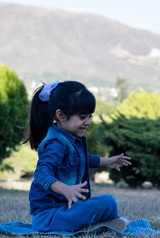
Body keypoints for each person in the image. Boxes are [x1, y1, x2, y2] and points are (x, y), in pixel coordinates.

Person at [24, 80, 132, 232]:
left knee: (108, 202)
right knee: (107, 203)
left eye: (90, 116)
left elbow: (84, 157)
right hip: (48, 217)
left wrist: (108, 162)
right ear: (61, 115)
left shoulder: (69, 138)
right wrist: (64, 189)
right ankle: (97, 225)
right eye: (82, 117)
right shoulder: (55, 144)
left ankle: (94, 225)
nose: (87, 122)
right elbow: (41, 173)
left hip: (66, 210)